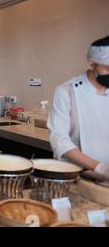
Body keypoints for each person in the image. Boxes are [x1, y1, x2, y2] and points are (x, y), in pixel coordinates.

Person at [48, 35, 109, 183]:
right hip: (76, 178)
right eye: (108, 68)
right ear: (91, 63)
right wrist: (100, 168)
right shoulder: (66, 91)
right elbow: (59, 141)